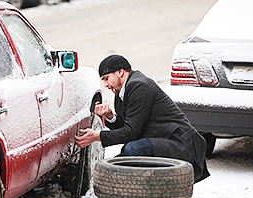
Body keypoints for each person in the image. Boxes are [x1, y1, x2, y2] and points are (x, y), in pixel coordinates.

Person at [75, 55, 209, 183]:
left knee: (133, 150)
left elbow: (131, 132)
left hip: (182, 143)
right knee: (127, 152)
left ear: (120, 72)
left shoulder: (139, 86)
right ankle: (114, 184)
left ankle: (114, 182)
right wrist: (110, 116)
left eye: (106, 78)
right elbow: (128, 128)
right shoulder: (121, 91)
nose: (105, 85)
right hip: (162, 140)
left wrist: (98, 136)